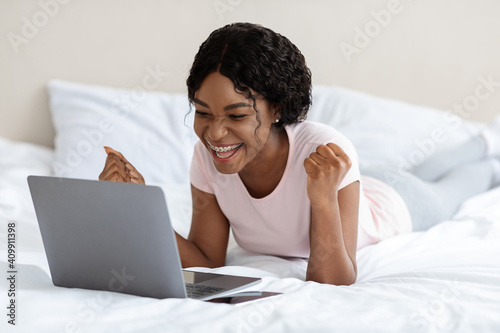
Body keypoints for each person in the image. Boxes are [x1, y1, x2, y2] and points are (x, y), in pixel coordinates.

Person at [98, 22, 500, 286]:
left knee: (459, 185)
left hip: (396, 203)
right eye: (203, 113)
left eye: (236, 114)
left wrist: (322, 198)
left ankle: (485, 147)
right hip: (362, 177)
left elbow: (335, 282)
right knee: (415, 167)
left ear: (276, 109)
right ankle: (481, 144)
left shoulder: (324, 148)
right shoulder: (210, 156)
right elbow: (206, 259)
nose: (214, 132)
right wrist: (137, 208)